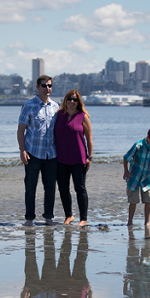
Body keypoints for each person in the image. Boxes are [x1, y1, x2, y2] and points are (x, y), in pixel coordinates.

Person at [17, 75, 60, 226]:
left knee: (50, 188)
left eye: (49, 85)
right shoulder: (29, 106)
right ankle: (29, 219)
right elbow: (20, 130)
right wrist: (22, 151)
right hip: (32, 153)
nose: (47, 88)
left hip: (51, 154)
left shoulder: (56, 107)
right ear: (37, 87)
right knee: (30, 187)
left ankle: (48, 218)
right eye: (44, 85)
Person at [54, 90, 93, 226]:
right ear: (65, 100)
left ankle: (83, 218)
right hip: (61, 158)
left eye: (75, 100)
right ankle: (69, 216)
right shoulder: (59, 115)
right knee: (63, 188)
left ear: (78, 102)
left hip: (79, 158)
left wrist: (90, 157)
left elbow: (89, 138)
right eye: (69, 99)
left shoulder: (83, 116)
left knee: (80, 188)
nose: (72, 102)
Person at [123, 127, 150, 226]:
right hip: (133, 177)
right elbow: (126, 158)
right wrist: (126, 171)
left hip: (147, 179)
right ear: (148, 137)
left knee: (148, 200)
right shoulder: (138, 145)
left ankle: (147, 222)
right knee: (133, 201)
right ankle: (130, 221)